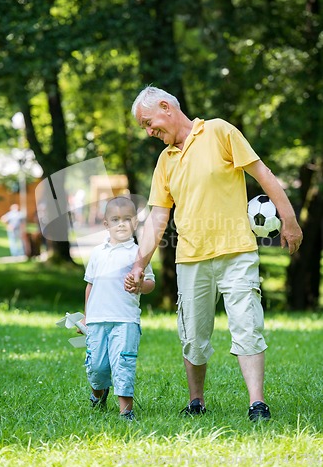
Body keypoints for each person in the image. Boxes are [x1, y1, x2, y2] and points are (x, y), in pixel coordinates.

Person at [126, 86, 303, 421]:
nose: (149, 132)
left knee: (247, 325)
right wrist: (139, 265)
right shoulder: (165, 161)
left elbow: (262, 173)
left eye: (149, 123)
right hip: (191, 260)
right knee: (193, 336)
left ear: (166, 107)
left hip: (236, 252)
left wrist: (289, 220)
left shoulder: (219, 130)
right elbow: (158, 217)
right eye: (145, 128)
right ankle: (196, 401)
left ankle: (257, 403)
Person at [82, 196, 155, 421]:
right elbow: (90, 285)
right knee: (96, 365)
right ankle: (98, 393)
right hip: (97, 320)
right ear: (106, 224)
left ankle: (126, 411)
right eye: (115, 219)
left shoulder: (139, 255)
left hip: (125, 319)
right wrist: (86, 316)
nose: (121, 224)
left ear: (135, 223)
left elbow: (151, 283)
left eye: (126, 219)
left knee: (123, 363)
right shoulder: (97, 253)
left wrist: (140, 285)